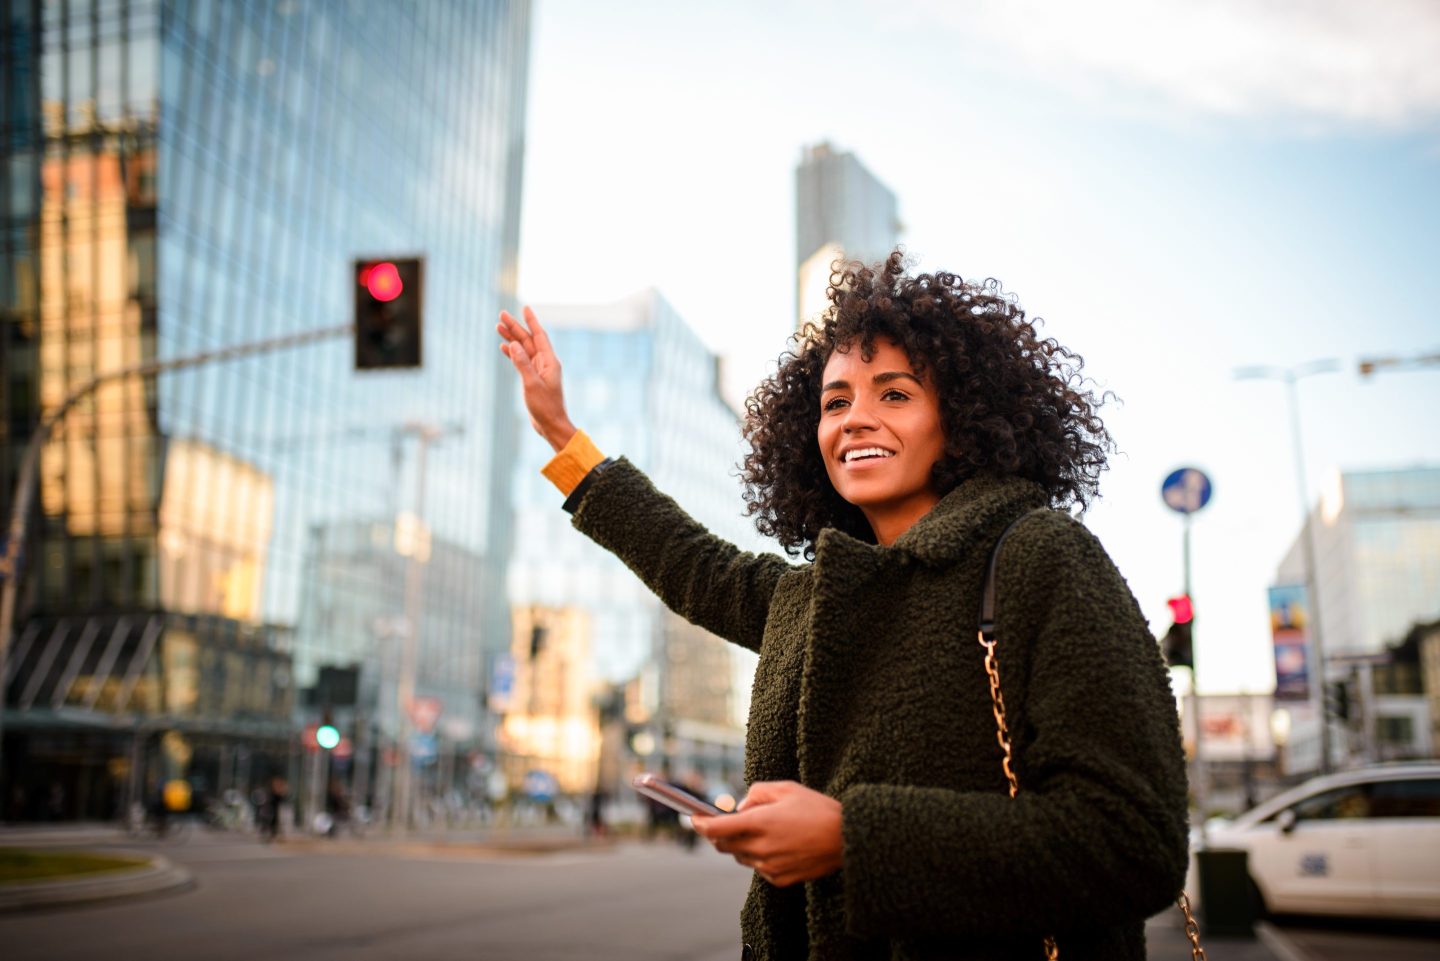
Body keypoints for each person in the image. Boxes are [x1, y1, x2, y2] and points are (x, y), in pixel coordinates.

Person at [497, 251, 1189, 961]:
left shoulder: (1042, 556)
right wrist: (561, 434)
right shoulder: (812, 596)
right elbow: (690, 560)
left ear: (964, 416)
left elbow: (1133, 839)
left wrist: (848, 836)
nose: (855, 420)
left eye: (894, 394)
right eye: (835, 402)